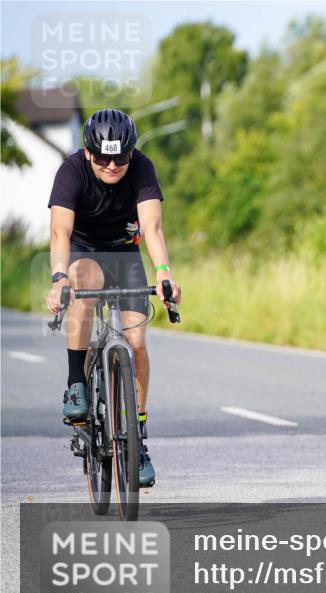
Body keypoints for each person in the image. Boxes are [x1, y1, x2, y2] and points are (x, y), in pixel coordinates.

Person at [45, 108, 181, 488]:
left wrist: (164, 272)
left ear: (131, 153)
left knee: (136, 342)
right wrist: (59, 278)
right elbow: (59, 232)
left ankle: (137, 438)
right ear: (88, 152)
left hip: (124, 253)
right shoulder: (71, 171)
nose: (111, 166)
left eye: (120, 158)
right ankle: (77, 382)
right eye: (103, 158)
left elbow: (152, 227)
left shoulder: (142, 168)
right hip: (84, 251)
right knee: (84, 281)